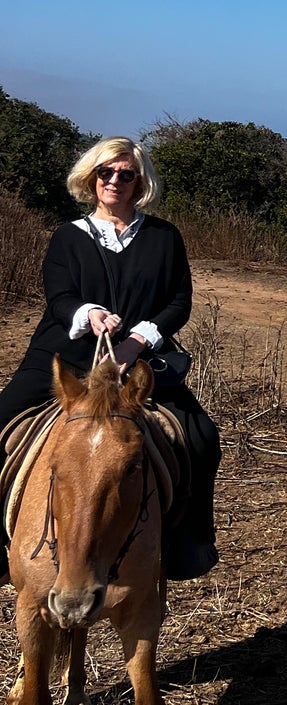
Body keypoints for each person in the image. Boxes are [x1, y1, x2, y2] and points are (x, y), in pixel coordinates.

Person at [0, 137, 222, 580]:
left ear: (141, 183)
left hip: (139, 364)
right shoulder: (68, 237)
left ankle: (184, 545)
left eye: (126, 174)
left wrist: (139, 338)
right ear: (92, 178)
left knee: (201, 438)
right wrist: (89, 314)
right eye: (106, 172)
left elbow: (180, 301)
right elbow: (59, 295)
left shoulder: (164, 237)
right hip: (68, 356)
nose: (115, 181)